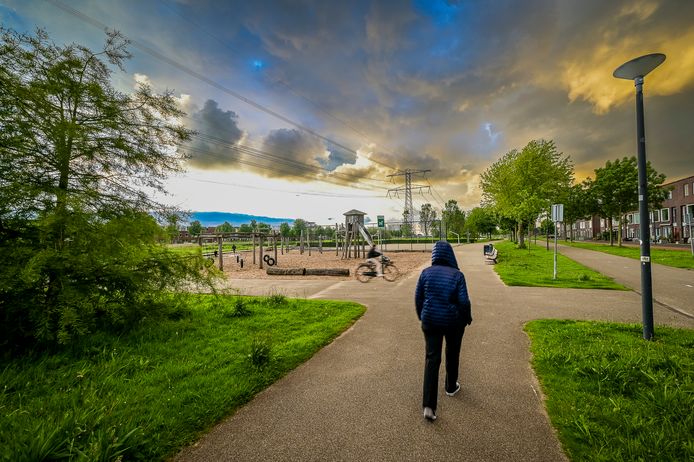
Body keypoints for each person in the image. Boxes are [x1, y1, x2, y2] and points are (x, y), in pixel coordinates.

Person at [415, 241, 472, 421]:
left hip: (430, 321)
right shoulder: (457, 275)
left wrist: (422, 316)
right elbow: (464, 302)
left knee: (432, 358)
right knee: (452, 353)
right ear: (450, 255)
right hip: (453, 322)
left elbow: (418, 298)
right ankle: (450, 387)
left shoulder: (425, 273)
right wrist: (467, 318)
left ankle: (428, 406)